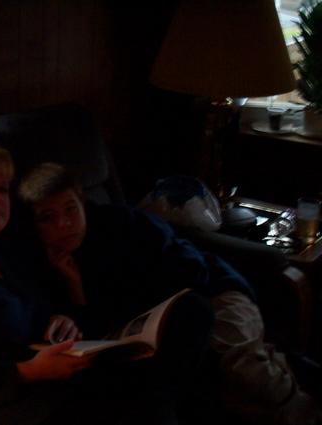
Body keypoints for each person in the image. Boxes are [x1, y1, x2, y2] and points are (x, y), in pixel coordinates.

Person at [0, 140, 213, 425]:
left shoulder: (6, 257)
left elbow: (51, 320)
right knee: (143, 396)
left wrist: (61, 318)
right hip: (14, 402)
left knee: (190, 314)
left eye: (3, 189)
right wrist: (28, 371)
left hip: (60, 375)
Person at [17, 162, 322, 425]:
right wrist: (75, 285)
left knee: (242, 369)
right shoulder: (42, 265)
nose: (64, 224)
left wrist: (137, 302)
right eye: (48, 217)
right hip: (159, 325)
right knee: (228, 386)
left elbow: (190, 268)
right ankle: (294, 368)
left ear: (82, 202)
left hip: (213, 291)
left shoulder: (122, 224)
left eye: (71, 209)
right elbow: (89, 327)